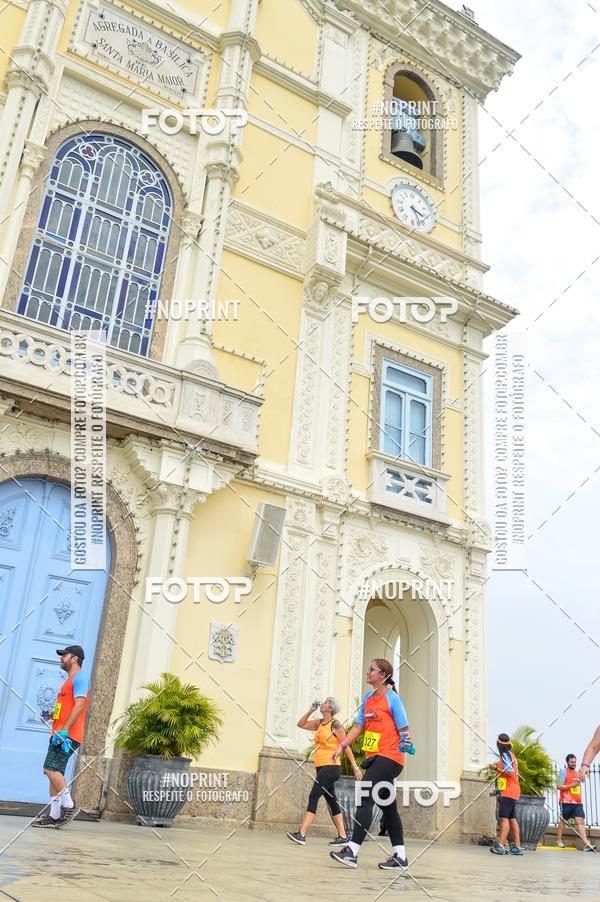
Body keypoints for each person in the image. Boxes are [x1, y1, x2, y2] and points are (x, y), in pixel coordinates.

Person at [329, 658, 412, 870]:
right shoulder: (368, 698)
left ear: (382, 675)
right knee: (389, 808)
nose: (368, 673)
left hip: (390, 758)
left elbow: (404, 729)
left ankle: (352, 851)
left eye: (371, 670)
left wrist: (406, 744)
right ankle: (400, 857)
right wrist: (342, 745)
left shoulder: (392, 699)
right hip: (375, 758)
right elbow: (358, 727)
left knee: (364, 797)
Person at [287, 697, 361, 845]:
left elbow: (345, 746)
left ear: (330, 708)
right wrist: (311, 710)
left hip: (331, 766)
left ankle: (302, 834)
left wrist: (355, 767)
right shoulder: (320, 723)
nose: (323, 703)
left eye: (326, 702)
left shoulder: (335, 724)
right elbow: (300, 724)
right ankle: (343, 836)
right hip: (321, 766)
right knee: (332, 800)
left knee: (313, 796)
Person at [32, 645, 91, 829]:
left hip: (67, 734)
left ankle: (69, 805)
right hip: (59, 732)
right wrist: (51, 715)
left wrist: (65, 730)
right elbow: (66, 708)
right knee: (54, 772)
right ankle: (55, 815)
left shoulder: (80, 677)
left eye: (63, 655)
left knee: (50, 768)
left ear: (74, 658)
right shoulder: (69, 681)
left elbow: (80, 705)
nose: (61, 658)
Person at [489, 733, 524, 855]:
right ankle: (517, 847)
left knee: (503, 818)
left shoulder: (505, 755)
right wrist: (498, 791)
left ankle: (501, 845)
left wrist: (495, 768)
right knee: (512, 818)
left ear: (498, 745)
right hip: (512, 790)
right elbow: (507, 777)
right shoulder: (511, 755)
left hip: (509, 791)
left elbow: (509, 772)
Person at [556, 754, 595, 851]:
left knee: (580, 822)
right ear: (567, 762)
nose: (573, 763)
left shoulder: (577, 773)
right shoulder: (563, 772)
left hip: (577, 803)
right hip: (565, 802)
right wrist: (571, 786)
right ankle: (558, 841)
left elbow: (581, 781)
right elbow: (558, 786)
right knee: (563, 821)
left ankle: (586, 843)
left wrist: (585, 773)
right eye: (571, 762)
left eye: (574, 762)